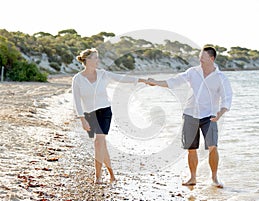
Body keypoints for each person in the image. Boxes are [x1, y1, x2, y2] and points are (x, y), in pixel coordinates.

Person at [147, 46, 232, 188]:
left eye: (203, 58)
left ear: (211, 59)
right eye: (199, 57)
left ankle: (215, 178)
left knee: (213, 146)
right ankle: (193, 178)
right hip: (190, 114)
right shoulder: (193, 72)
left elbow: (227, 98)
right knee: (191, 148)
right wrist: (155, 82)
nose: (200, 60)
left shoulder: (221, 78)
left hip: (210, 116)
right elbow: (174, 82)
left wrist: (220, 113)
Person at [72, 48, 149, 184]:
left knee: (98, 142)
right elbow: (77, 101)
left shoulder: (103, 74)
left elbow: (122, 78)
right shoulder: (77, 79)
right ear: (87, 60)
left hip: (105, 112)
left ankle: (98, 176)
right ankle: (111, 174)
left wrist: (142, 80)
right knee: (102, 145)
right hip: (90, 114)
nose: (98, 60)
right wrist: (82, 119)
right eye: (95, 58)